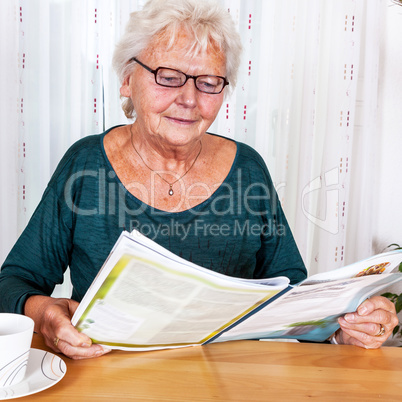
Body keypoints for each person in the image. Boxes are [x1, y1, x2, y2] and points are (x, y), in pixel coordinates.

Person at [0, 0, 397, 359]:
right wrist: (47, 315)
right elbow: (13, 282)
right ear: (126, 80)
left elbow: (291, 296)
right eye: (168, 76)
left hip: (228, 382)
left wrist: (346, 330)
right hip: (108, 378)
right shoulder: (85, 165)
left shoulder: (248, 170)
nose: (189, 99)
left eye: (208, 82)